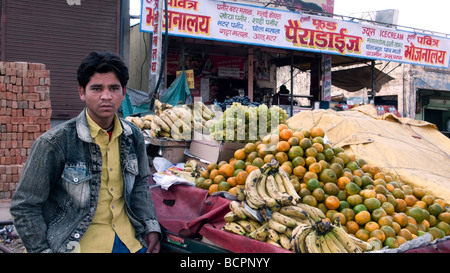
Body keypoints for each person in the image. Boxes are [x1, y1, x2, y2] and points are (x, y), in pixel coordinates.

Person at [10, 51, 161, 253]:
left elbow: (141, 183)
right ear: (82, 92)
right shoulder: (54, 143)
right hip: (75, 243)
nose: (106, 96)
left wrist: (150, 225)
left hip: (129, 241)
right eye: (97, 88)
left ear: (123, 92)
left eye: (114, 88)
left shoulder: (132, 135)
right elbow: (25, 206)